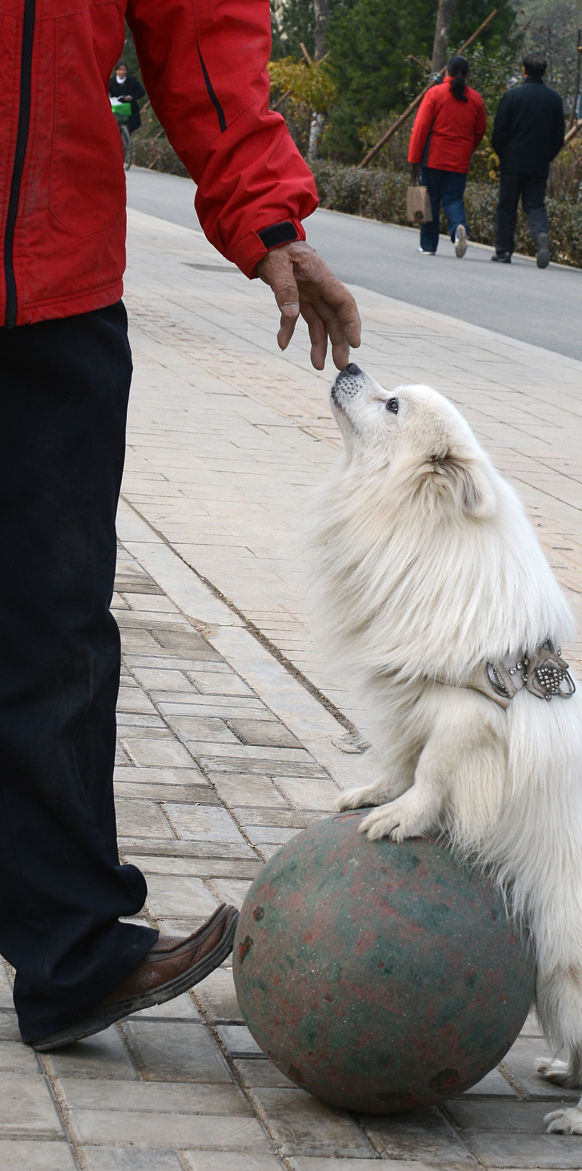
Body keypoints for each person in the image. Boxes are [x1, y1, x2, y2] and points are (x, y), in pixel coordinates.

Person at [1, 0, 360, 1054]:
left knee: (57, 629)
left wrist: (269, 219)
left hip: (54, 284)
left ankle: (72, 955)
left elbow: (204, 34)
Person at [407, 55, 486, 258]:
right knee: (453, 199)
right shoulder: (476, 99)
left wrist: (414, 157)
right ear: (467, 75)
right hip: (459, 160)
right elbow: (479, 131)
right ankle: (458, 229)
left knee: (429, 201)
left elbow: (421, 128)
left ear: (446, 72)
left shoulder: (435, 94)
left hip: (433, 157)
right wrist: (468, 149)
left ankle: (428, 245)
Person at [491, 53, 565, 268]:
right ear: (544, 72)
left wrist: (503, 154)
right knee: (534, 205)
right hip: (539, 163)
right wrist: (547, 156)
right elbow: (558, 137)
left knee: (507, 206)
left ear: (523, 70)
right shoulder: (554, 100)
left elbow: (499, 132)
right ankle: (540, 233)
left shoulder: (512, 96)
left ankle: (504, 250)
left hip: (512, 161)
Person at [108, 61, 146, 133]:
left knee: (131, 126)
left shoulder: (132, 80)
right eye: (119, 70)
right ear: (116, 71)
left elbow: (141, 92)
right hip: (117, 109)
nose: (121, 72)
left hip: (131, 108)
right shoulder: (111, 82)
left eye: (123, 70)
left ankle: (126, 140)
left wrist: (131, 97)